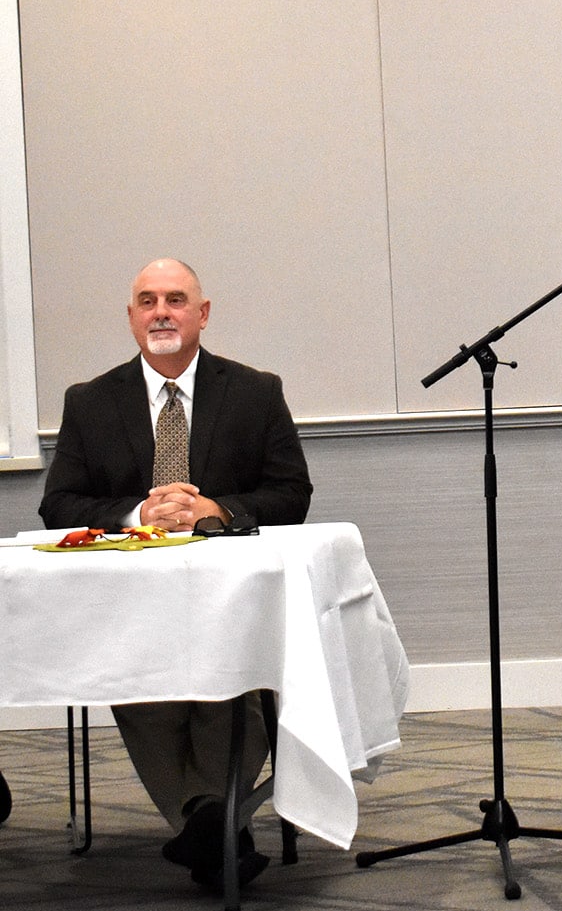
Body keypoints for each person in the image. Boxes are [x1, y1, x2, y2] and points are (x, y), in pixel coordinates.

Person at [39, 258, 313, 887]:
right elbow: (58, 506)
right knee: (137, 676)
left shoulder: (255, 391)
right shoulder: (90, 401)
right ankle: (216, 822)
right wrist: (140, 511)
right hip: (130, 603)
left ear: (202, 313)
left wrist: (213, 509)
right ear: (132, 317)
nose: (161, 311)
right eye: (146, 301)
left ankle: (203, 822)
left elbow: (292, 493)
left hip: (230, 597)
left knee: (234, 677)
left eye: (175, 299)